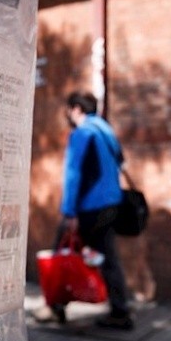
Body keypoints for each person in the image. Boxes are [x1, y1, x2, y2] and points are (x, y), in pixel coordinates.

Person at [37, 91, 135, 328]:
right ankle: (120, 311)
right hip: (112, 203)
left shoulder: (82, 133)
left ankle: (55, 307)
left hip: (89, 207)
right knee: (108, 257)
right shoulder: (106, 130)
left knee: (61, 252)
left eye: (70, 110)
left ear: (76, 109)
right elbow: (120, 162)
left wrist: (70, 212)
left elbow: (74, 173)